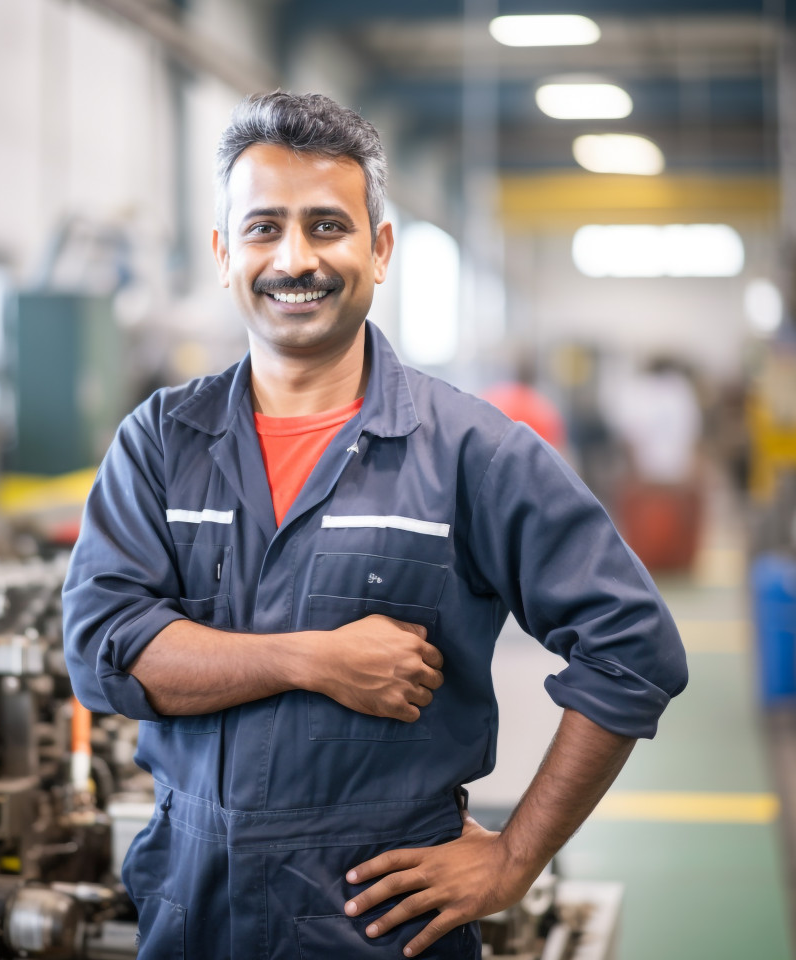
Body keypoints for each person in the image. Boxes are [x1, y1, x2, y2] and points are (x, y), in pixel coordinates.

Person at [62, 91, 688, 960]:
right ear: (222, 253)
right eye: (263, 228)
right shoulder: (161, 443)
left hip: (378, 926)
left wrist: (513, 861)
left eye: (326, 226)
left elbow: (634, 647)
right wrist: (310, 659)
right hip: (188, 911)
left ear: (379, 247)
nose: (294, 258)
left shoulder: (473, 452)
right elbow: (104, 655)